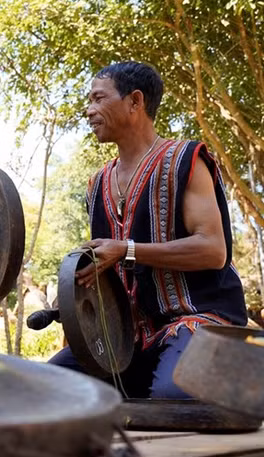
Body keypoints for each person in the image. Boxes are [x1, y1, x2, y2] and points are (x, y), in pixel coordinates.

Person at [49, 62, 247, 398]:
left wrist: (126, 249)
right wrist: (75, 295)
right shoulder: (97, 184)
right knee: (43, 389)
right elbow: (108, 270)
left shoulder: (184, 159)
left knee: (175, 397)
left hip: (198, 320)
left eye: (98, 99)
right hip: (129, 339)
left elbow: (213, 250)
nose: (89, 110)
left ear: (135, 102)